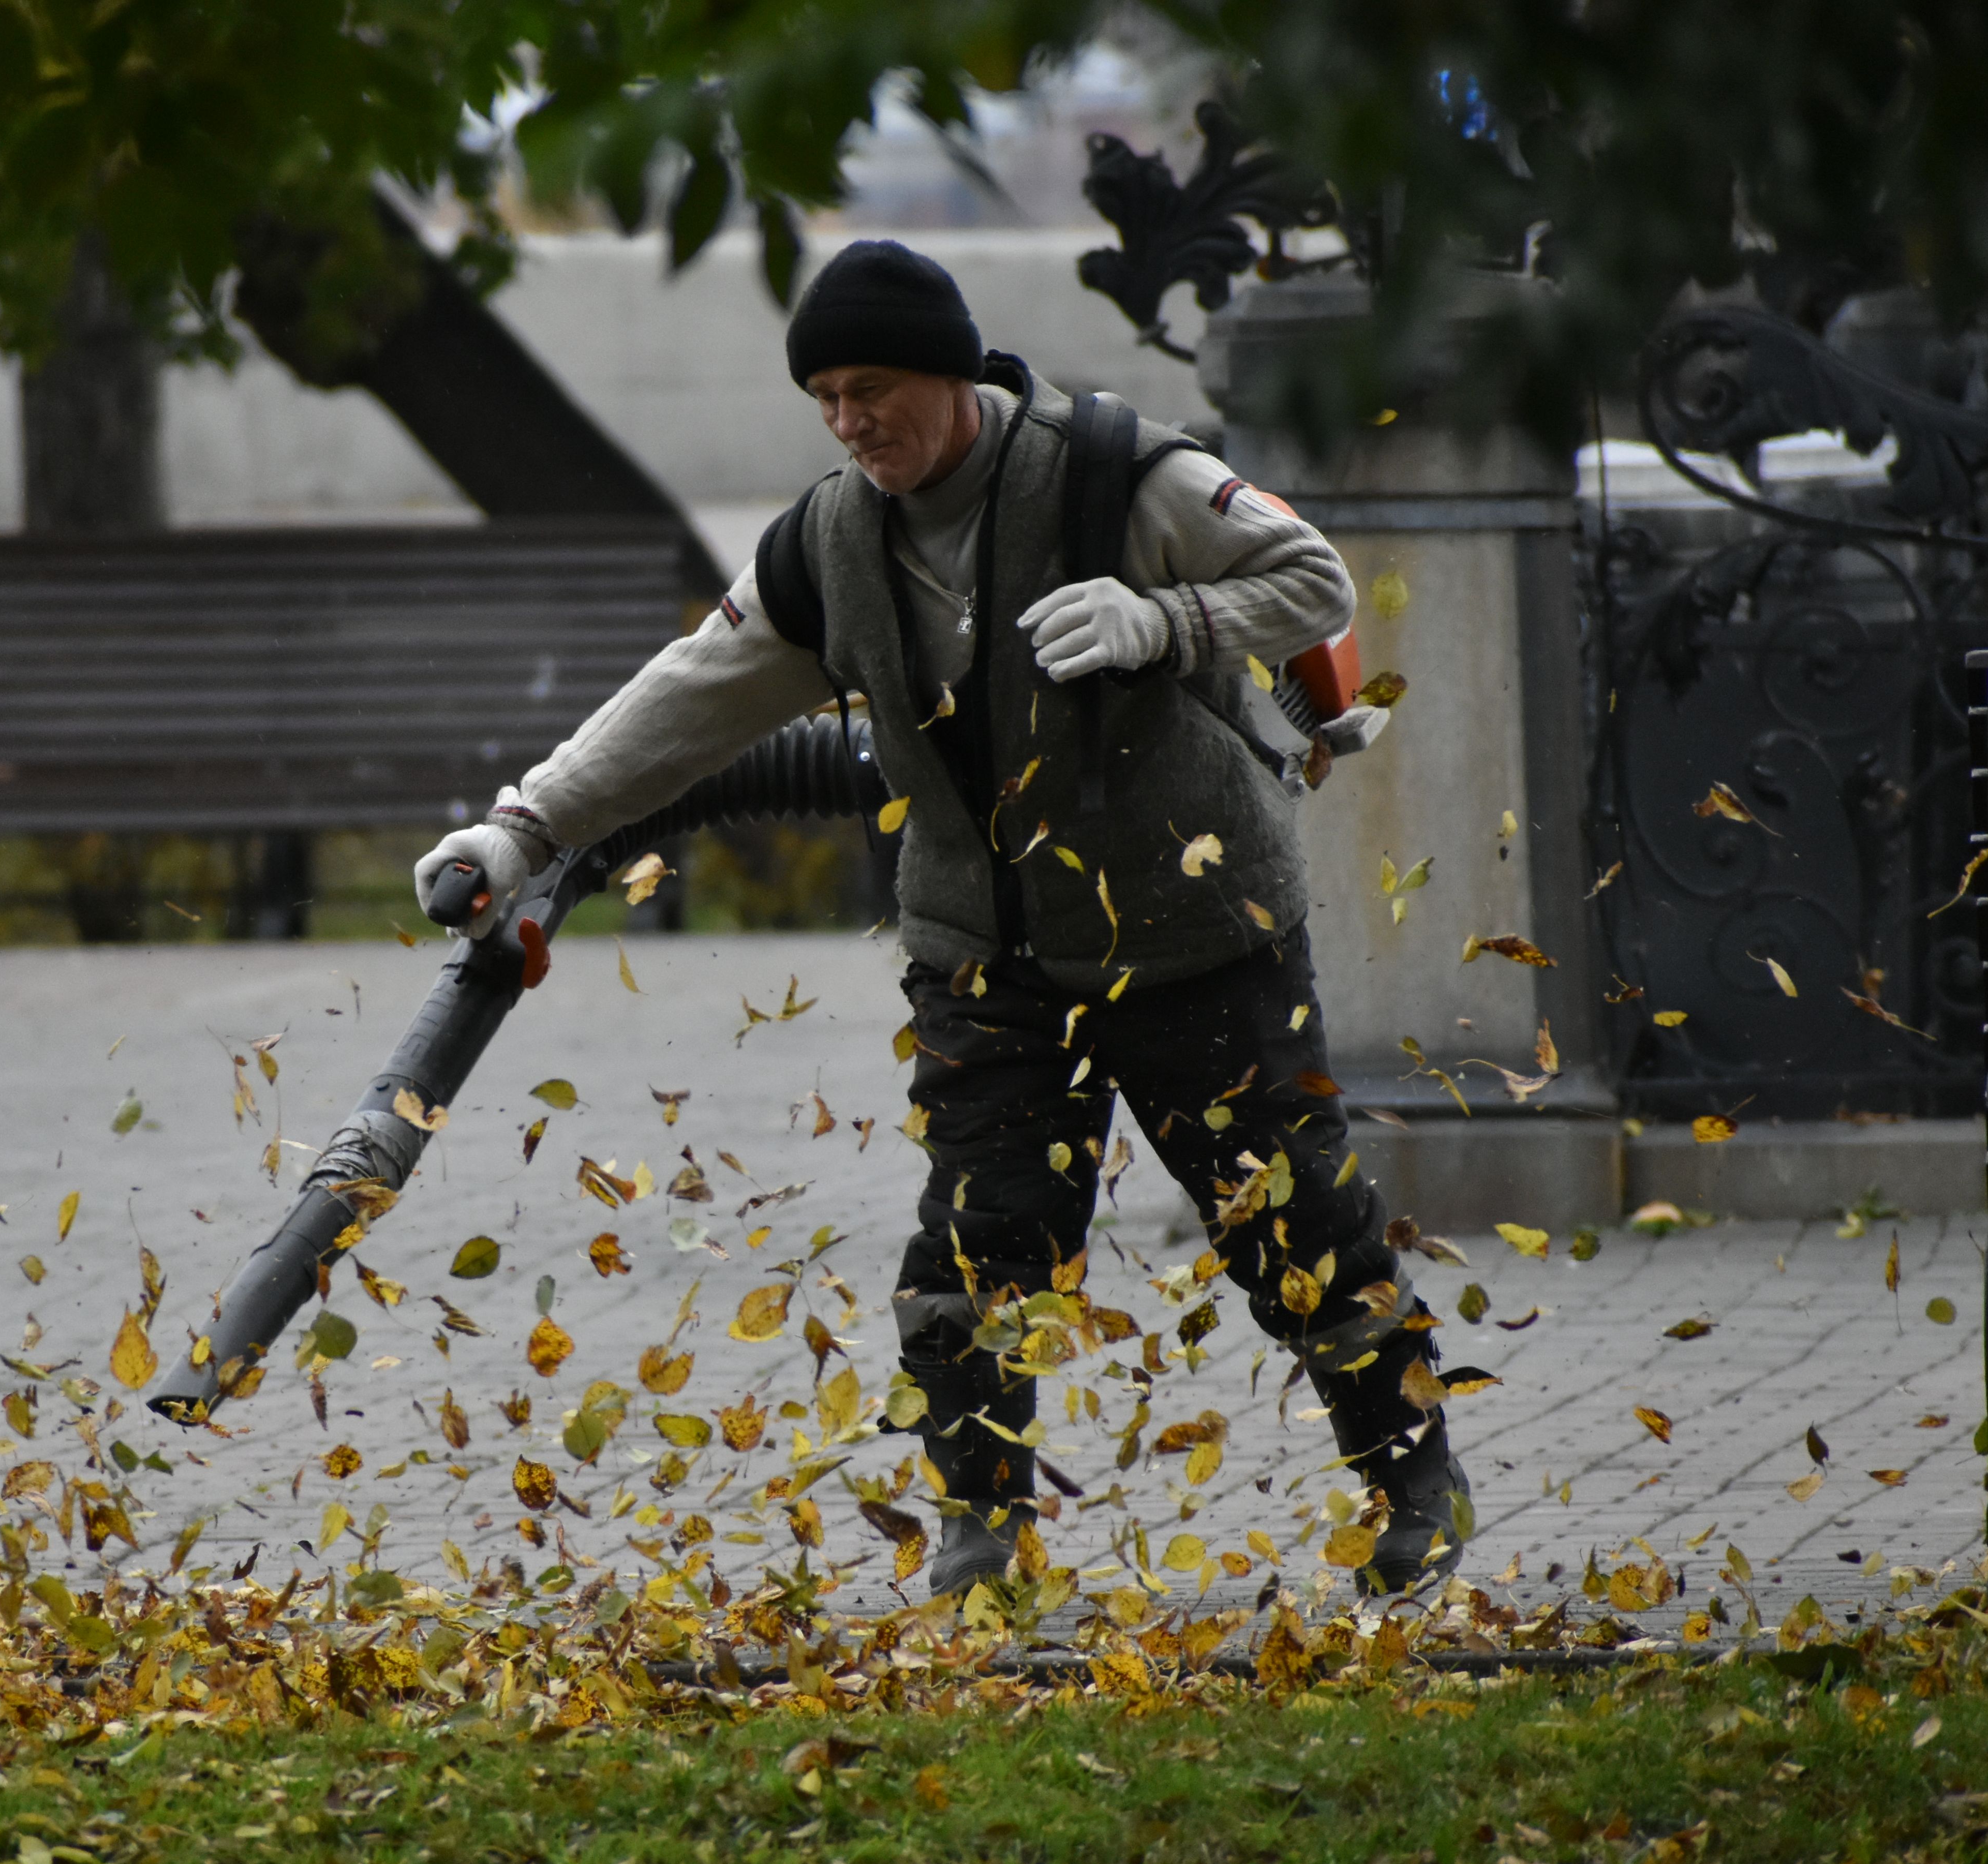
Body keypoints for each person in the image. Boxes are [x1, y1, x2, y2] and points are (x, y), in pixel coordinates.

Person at [412, 239, 1471, 1600]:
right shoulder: (829, 544)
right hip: (986, 954)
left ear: (954, 374)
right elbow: (687, 696)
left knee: (1297, 1230)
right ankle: (984, 1533)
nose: (850, 423)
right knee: (973, 1257)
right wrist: (520, 829)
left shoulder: (1112, 475)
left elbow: (1313, 583)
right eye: (825, 400)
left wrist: (1164, 620)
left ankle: (1414, 1482)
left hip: (1194, 930)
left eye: (872, 390)